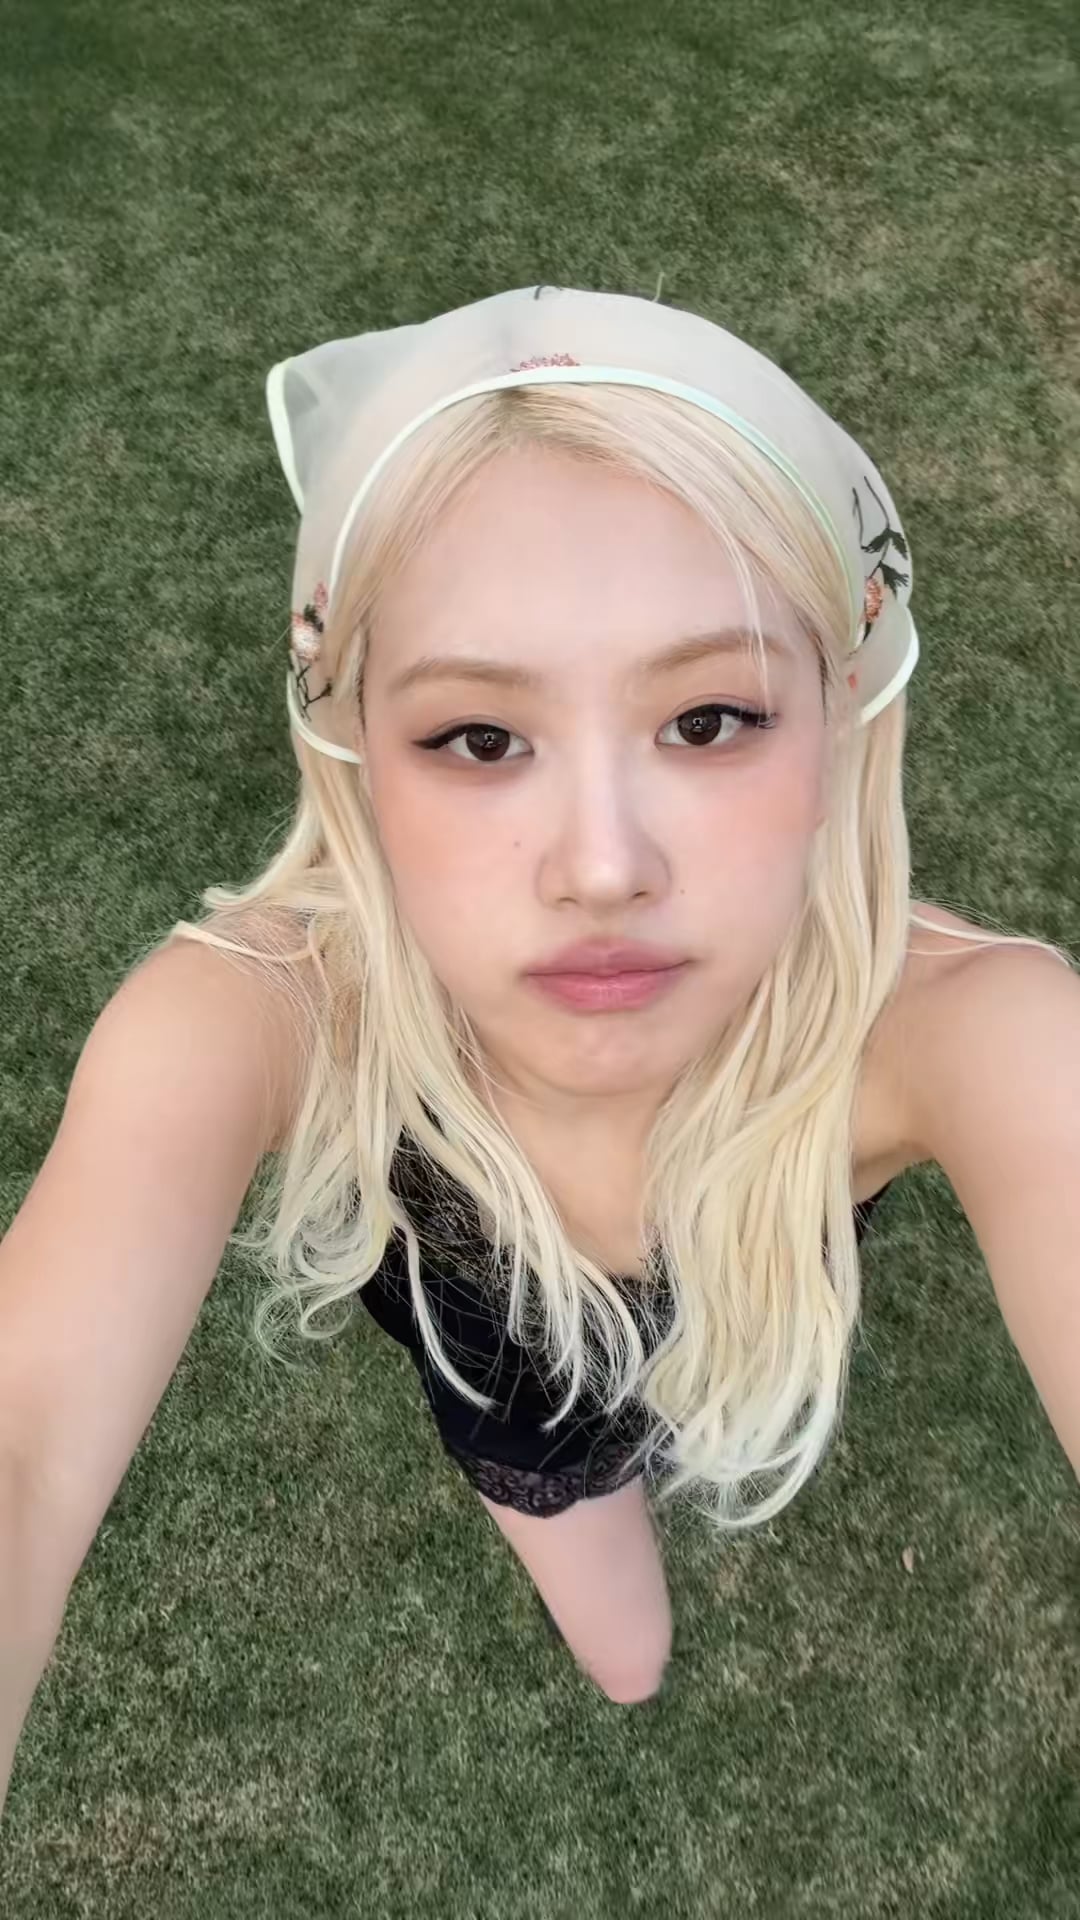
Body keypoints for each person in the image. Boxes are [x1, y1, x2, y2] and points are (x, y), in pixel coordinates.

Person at [1, 284, 1073, 1793]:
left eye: (709, 719)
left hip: (730, 1317)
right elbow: (26, 1437)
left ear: (839, 713)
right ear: (356, 753)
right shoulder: (269, 1014)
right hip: (490, 1380)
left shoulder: (969, 1029)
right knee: (619, 1638)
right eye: (480, 739)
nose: (603, 868)